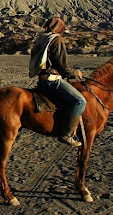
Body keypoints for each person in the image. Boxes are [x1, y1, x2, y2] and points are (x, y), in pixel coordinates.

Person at [29, 17, 86, 147]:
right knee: (80, 101)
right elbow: (62, 65)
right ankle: (66, 134)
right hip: (52, 81)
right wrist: (75, 73)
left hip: (41, 80)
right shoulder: (56, 39)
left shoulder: (43, 38)